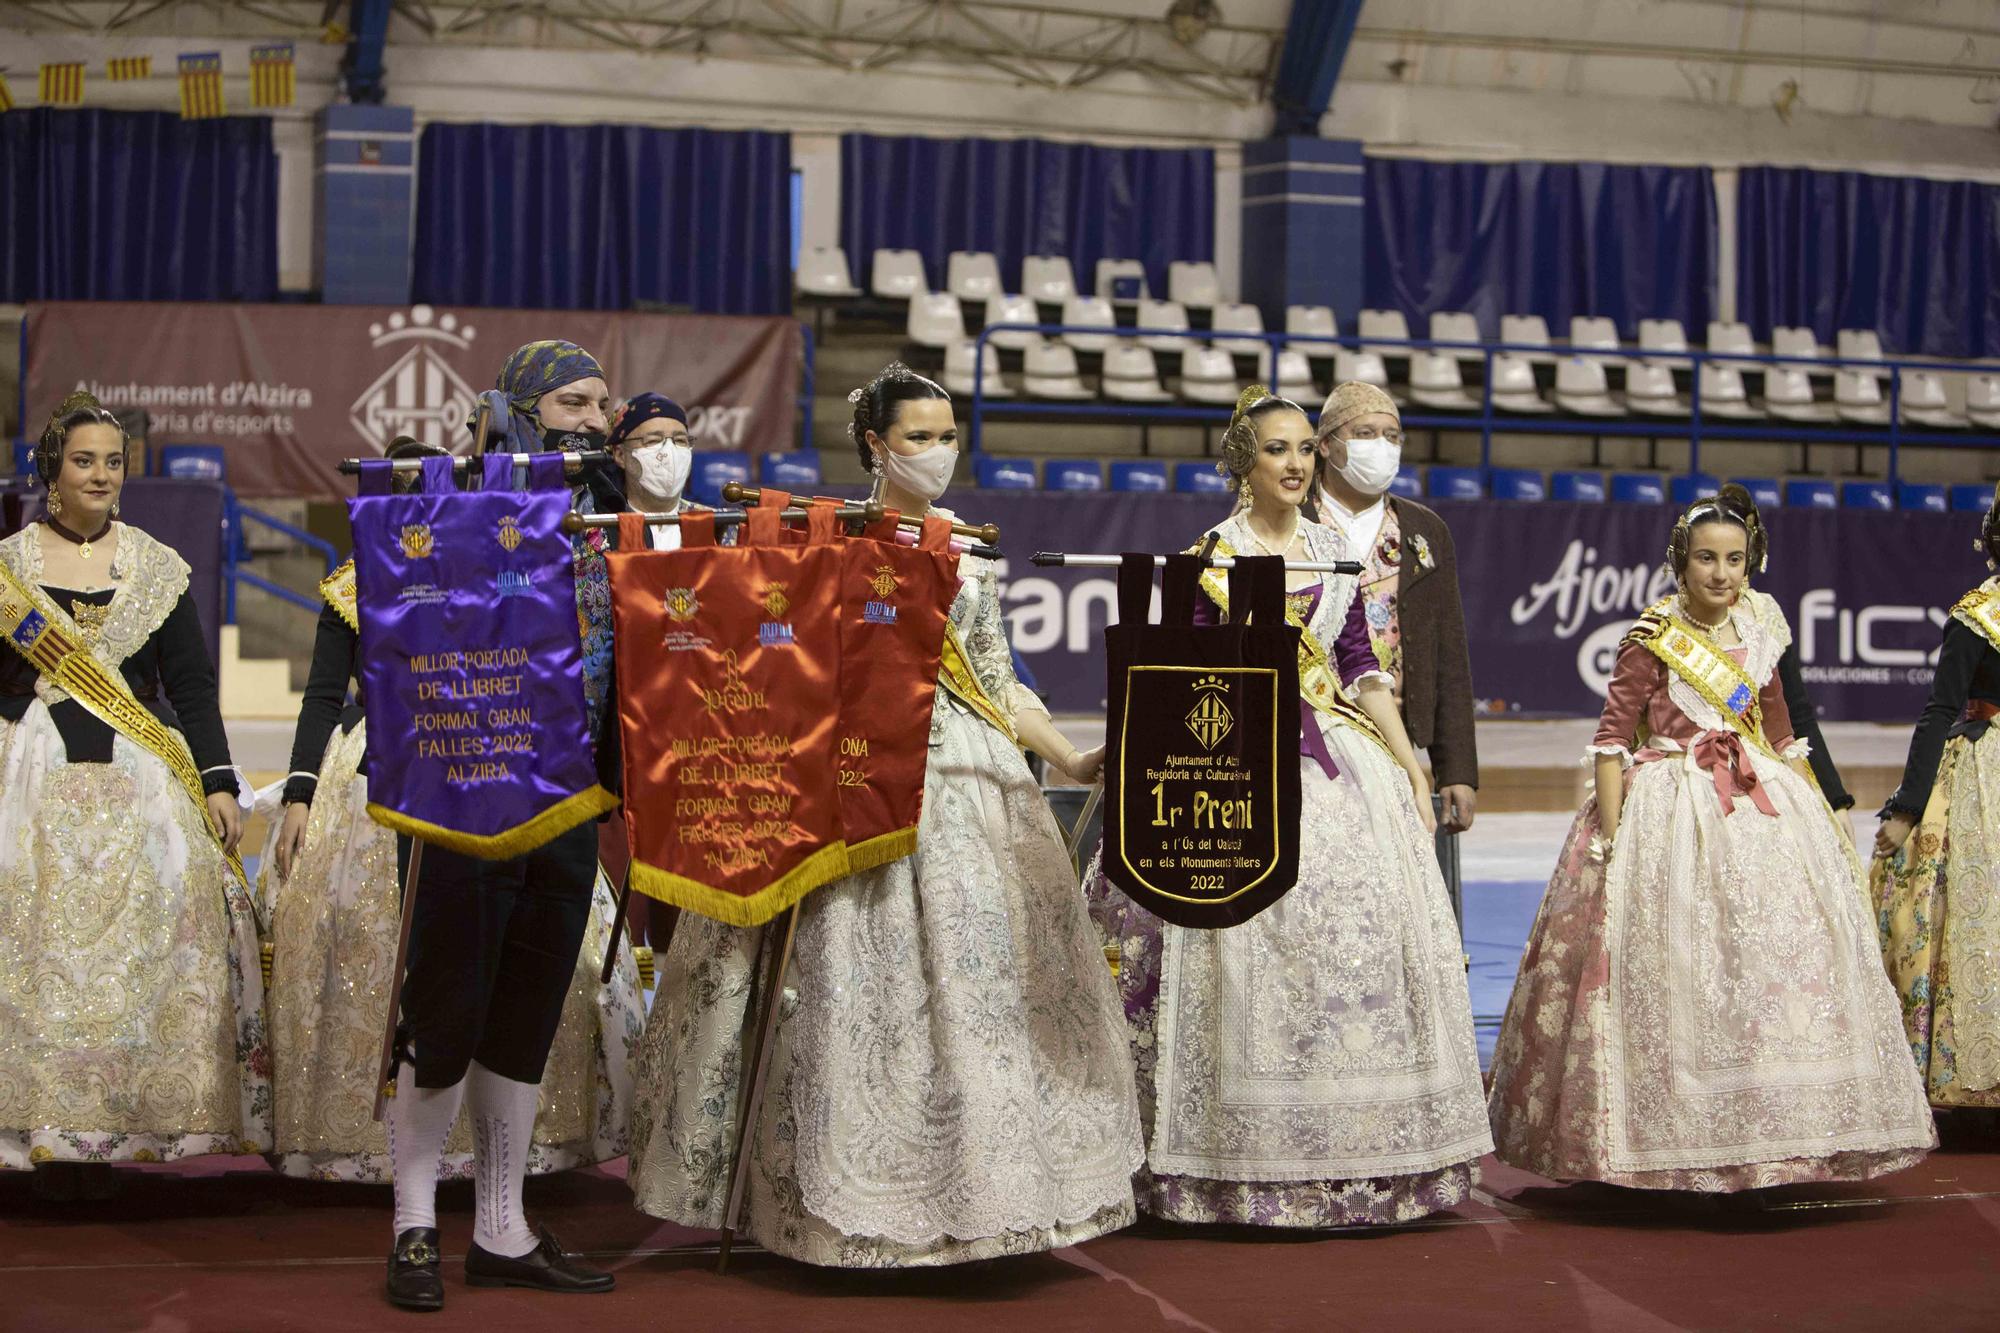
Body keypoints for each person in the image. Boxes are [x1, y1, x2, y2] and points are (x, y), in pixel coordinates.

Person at [625, 363, 1143, 1266]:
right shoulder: (819, 539)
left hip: (967, 782)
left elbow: (995, 682)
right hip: (847, 773)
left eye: (949, 437)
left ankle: (989, 1190)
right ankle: (821, 1195)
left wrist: (1068, 755)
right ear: (875, 444)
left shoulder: (970, 547)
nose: (939, 453)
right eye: (919, 437)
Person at [1086, 386, 1490, 1228]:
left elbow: (1359, 666)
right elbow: (1189, 674)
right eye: (1279, 449)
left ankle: (1358, 1144)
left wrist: (1410, 766)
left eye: (1307, 448)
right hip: (1235, 759)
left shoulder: (1328, 548)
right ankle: (1228, 1153)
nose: (1298, 463)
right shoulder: (1211, 555)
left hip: (1337, 756)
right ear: (1244, 462)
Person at [1487, 484, 1934, 1189]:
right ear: (1680, 562)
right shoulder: (1651, 638)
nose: (1720, 574)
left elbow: (1783, 732)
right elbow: (1610, 742)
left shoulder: (1760, 631)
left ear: (1748, 562)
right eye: (1705, 559)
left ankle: (1776, 1125)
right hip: (1670, 807)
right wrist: (1611, 837)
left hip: (1759, 802)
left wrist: (1819, 812)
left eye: (1733, 559)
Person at [260, 438, 643, 1187]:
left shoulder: (504, 574)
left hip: (494, 755)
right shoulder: (354, 584)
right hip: (390, 764)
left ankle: (502, 1165)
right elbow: (321, 694)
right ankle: (390, 1169)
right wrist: (301, 789)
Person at [380, 342, 621, 1310]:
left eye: (603, 402)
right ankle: (409, 1225)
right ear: (517, 408)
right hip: (468, 794)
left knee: (523, 1013)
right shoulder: (448, 510)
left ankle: (500, 1226)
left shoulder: (608, 522)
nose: (596, 419)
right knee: (445, 1010)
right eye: (573, 401)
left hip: (569, 794)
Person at [0, 391, 269, 1197]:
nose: (101, 475)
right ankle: (35, 1122)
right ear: (52, 469)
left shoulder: (153, 564)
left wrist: (218, 781)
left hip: (143, 789)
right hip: (27, 784)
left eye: (113, 462)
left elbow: (190, 683)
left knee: (150, 948)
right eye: (84, 460)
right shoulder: (10, 568)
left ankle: (134, 1120)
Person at [1871, 482, 2000, 1112]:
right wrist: (1907, 808)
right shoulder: (1975, 616)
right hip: (1984, 775)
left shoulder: (1975, 611)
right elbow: (1940, 710)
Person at [1310, 382, 1478, 833]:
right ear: (1326, 445)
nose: (1381, 446)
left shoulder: (1425, 529)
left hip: (1396, 742)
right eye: (1365, 433)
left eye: (1392, 436)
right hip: (1305, 743)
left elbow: (1450, 656)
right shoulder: (1291, 518)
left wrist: (1457, 769)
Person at [605, 392, 697, 549]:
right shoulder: (600, 528)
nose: (669, 452)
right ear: (620, 455)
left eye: (680, 440)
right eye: (653, 440)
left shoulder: (717, 525)